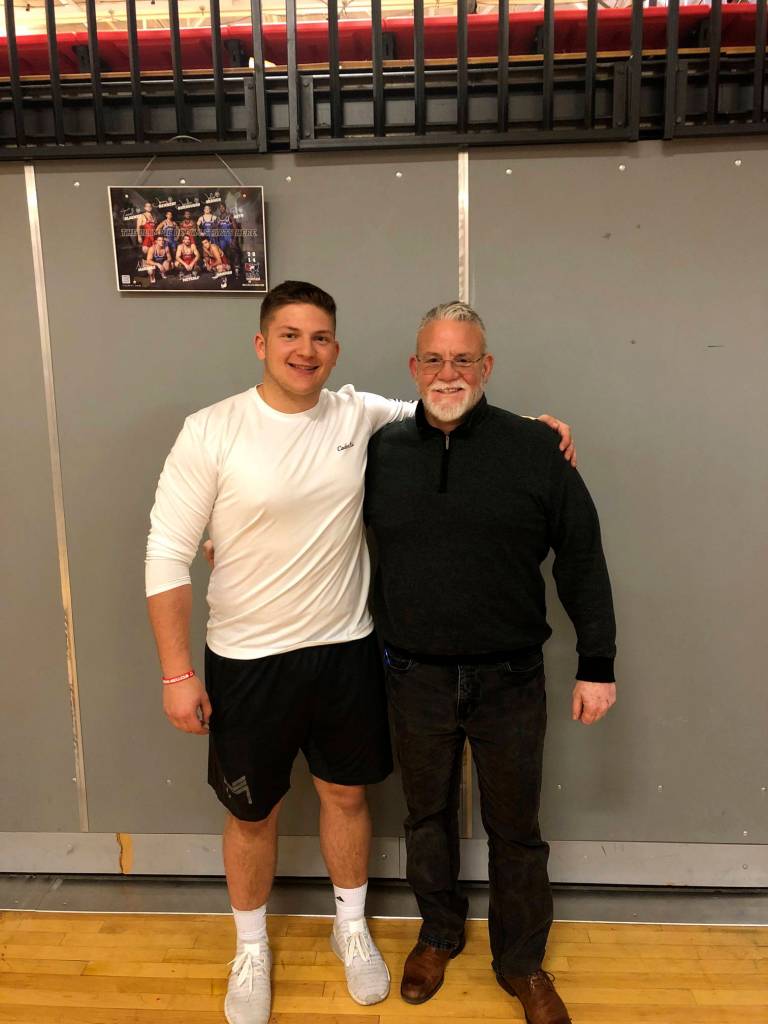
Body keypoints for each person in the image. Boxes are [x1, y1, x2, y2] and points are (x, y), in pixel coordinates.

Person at [146, 281, 575, 1024]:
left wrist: (537, 428)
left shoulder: (362, 414)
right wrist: (177, 671)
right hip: (247, 659)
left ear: (335, 350)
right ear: (261, 343)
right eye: (288, 335)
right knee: (253, 815)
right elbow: (165, 557)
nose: (304, 351)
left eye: (318, 338)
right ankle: (250, 947)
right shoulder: (210, 430)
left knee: (347, 797)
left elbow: (452, 404)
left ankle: (352, 929)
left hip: (346, 648)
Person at [363, 301, 617, 1024]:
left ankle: (522, 963)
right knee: (426, 819)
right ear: (414, 369)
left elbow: (582, 555)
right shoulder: (380, 451)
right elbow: (309, 513)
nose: (449, 373)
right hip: (412, 675)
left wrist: (596, 662)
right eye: (434, 360)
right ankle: (439, 933)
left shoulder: (535, 449)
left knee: (515, 829)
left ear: (487, 366)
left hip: (510, 679)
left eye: (463, 359)